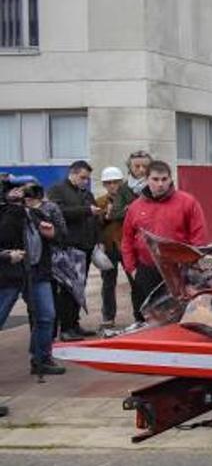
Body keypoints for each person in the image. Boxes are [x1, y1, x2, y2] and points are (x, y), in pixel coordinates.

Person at [122, 160, 208, 323]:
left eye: (164, 179)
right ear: (147, 179)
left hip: (178, 271)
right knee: (144, 317)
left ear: (170, 179)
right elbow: (126, 239)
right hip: (145, 271)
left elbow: (199, 238)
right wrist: (132, 269)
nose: (160, 184)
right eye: (155, 179)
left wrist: (190, 269)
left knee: (180, 317)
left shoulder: (187, 202)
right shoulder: (135, 207)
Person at [0, 178, 65, 377]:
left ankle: (41, 358)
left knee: (46, 316)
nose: (24, 194)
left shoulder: (35, 213)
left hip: (37, 272)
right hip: (8, 275)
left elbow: (61, 235)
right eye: (18, 190)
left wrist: (52, 233)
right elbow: (5, 236)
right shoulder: (7, 213)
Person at [47, 160, 100, 340]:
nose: (85, 181)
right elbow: (57, 212)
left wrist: (97, 241)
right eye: (83, 177)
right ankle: (66, 328)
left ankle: (74, 324)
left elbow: (93, 218)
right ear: (72, 173)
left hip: (85, 248)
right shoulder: (57, 190)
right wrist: (86, 210)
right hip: (68, 248)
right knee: (67, 289)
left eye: (87, 178)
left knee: (79, 289)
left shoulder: (86, 193)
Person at [94, 166, 127, 329]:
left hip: (127, 247)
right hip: (109, 248)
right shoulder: (99, 202)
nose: (113, 186)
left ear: (121, 182)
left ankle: (141, 315)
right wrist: (105, 217)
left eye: (115, 182)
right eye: (109, 183)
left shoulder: (131, 200)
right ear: (104, 185)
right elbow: (95, 226)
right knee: (108, 284)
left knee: (136, 282)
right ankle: (108, 317)